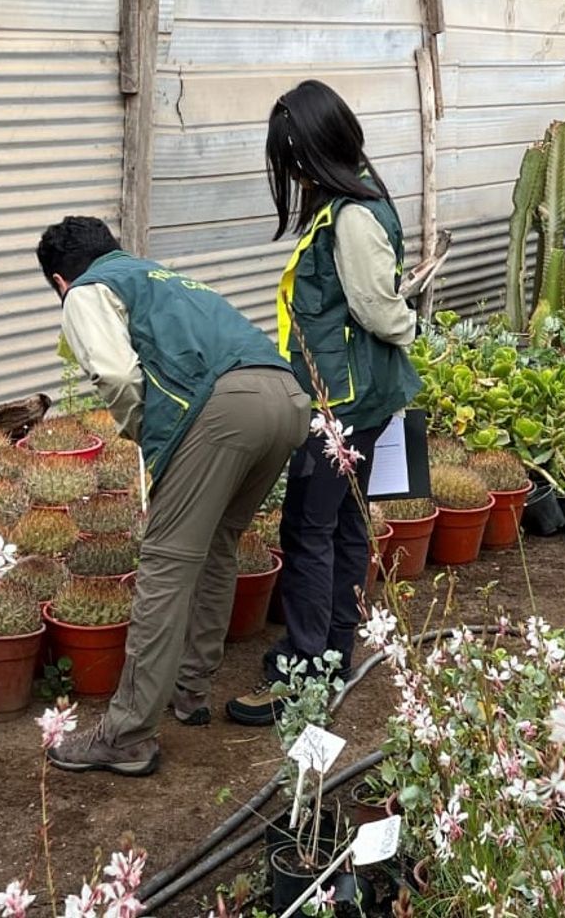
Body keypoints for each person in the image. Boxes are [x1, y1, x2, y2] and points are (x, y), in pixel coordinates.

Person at [37, 216, 310, 776]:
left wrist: (146, 427)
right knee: (216, 546)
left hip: (225, 412)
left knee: (164, 565)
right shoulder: (159, 276)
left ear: (61, 281)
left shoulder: (86, 290)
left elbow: (114, 374)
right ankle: (190, 691)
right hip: (286, 398)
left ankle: (127, 734)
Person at [226, 80, 421, 727]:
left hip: (342, 404)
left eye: (296, 156)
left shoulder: (354, 216)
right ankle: (332, 646)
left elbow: (375, 307)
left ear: (320, 148)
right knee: (339, 526)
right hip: (355, 397)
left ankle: (307, 667)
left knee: (308, 530)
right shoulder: (351, 197)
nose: (293, 171)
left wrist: (408, 326)